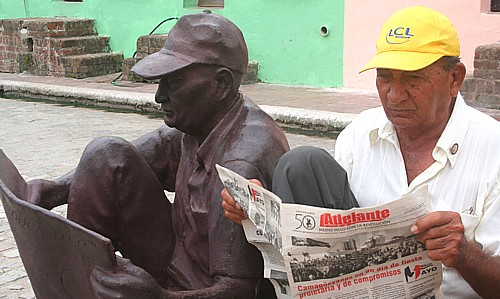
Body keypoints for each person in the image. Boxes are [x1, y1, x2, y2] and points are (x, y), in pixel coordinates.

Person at [222, 6, 500, 298]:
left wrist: (465, 255)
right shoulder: (361, 132)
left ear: (454, 79)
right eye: (385, 77)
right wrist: (258, 208)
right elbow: (313, 227)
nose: (394, 95)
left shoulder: (492, 148)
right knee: (300, 165)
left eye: (413, 79)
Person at [26, 10, 289, 298]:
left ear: (221, 84)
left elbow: (239, 291)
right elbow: (133, 157)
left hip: (201, 290)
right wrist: (56, 189)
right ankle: (78, 285)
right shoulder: (204, 119)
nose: (159, 95)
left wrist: (158, 297)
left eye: (173, 82)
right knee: (105, 154)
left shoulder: (241, 161)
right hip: (176, 258)